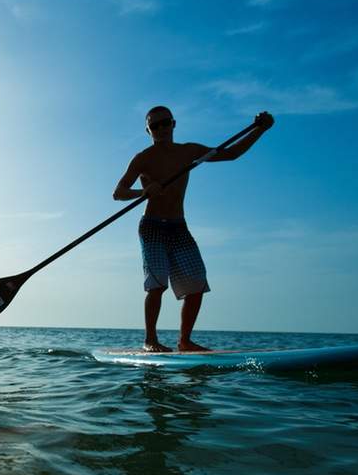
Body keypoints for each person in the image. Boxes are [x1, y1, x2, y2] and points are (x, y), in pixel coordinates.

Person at [112, 107, 274, 352]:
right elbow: (119, 193)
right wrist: (143, 192)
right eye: (155, 126)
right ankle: (150, 341)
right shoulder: (142, 158)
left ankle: (185, 341)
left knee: (197, 284)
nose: (161, 128)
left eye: (165, 123)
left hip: (179, 226)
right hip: (152, 226)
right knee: (157, 284)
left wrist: (260, 130)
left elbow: (231, 154)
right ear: (148, 131)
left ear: (173, 124)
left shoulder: (188, 151)